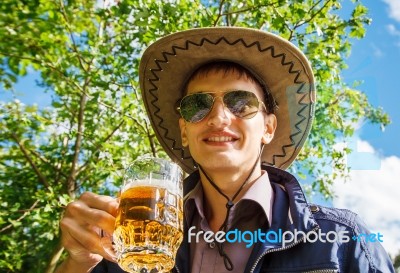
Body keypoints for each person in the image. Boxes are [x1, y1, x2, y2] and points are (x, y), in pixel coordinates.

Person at [55, 27, 395, 273]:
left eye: (240, 103)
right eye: (197, 106)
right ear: (184, 131)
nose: (218, 118)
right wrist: (77, 263)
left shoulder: (343, 240)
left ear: (268, 128)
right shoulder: (129, 242)